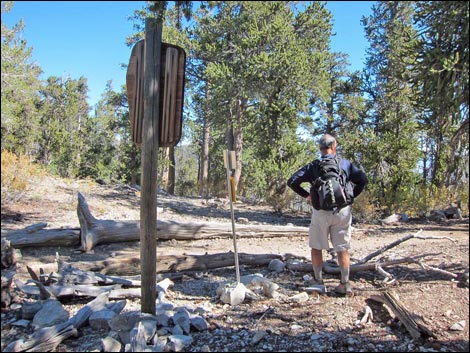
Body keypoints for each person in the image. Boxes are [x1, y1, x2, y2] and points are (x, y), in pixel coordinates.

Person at [287, 134, 368, 296]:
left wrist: (307, 196)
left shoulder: (313, 165)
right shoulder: (345, 164)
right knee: (342, 248)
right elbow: (363, 180)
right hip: (342, 211)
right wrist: (350, 198)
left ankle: (318, 282)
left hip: (320, 211)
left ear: (320, 148)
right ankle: (345, 284)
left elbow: (292, 181)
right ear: (334, 147)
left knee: (317, 247)